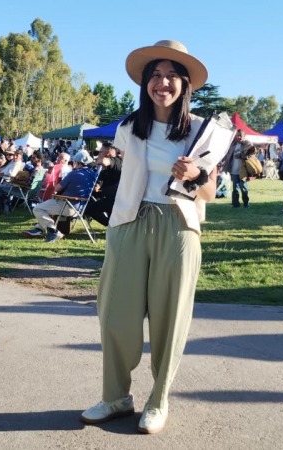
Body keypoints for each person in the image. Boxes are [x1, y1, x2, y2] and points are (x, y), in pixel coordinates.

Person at [80, 40, 216, 434]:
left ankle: (159, 401)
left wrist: (196, 175)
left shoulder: (202, 132)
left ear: (185, 84)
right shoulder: (127, 128)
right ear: (145, 82)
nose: (163, 82)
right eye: (155, 74)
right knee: (114, 314)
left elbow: (209, 193)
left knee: (169, 318)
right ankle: (116, 397)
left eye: (172, 75)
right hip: (128, 222)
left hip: (178, 223)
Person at [20, 151, 97, 242]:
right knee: (48, 205)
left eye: (74, 162)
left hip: (68, 205)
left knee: (38, 208)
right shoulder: (93, 174)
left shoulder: (73, 174)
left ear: (78, 163)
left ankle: (53, 231)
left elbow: (57, 188)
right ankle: (39, 229)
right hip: (81, 206)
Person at [84, 143, 122, 226]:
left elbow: (105, 161)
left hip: (116, 198)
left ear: (108, 152)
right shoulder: (106, 168)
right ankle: (110, 225)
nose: (99, 154)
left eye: (101, 152)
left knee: (89, 209)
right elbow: (102, 179)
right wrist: (98, 184)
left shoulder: (117, 161)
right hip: (109, 196)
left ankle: (108, 224)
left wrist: (97, 162)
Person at [222, 129, 247, 207]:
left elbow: (250, 155)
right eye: (238, 135)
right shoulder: (233, 145)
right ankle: (235, 204)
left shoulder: (247, 144)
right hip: (234, 170)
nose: (239, 137)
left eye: (240, 135)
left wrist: (241, 155)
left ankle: (246, 203)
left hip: (243, 170)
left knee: (243, 187)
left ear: (244, 136)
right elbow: (228, 155)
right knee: (235, 188)